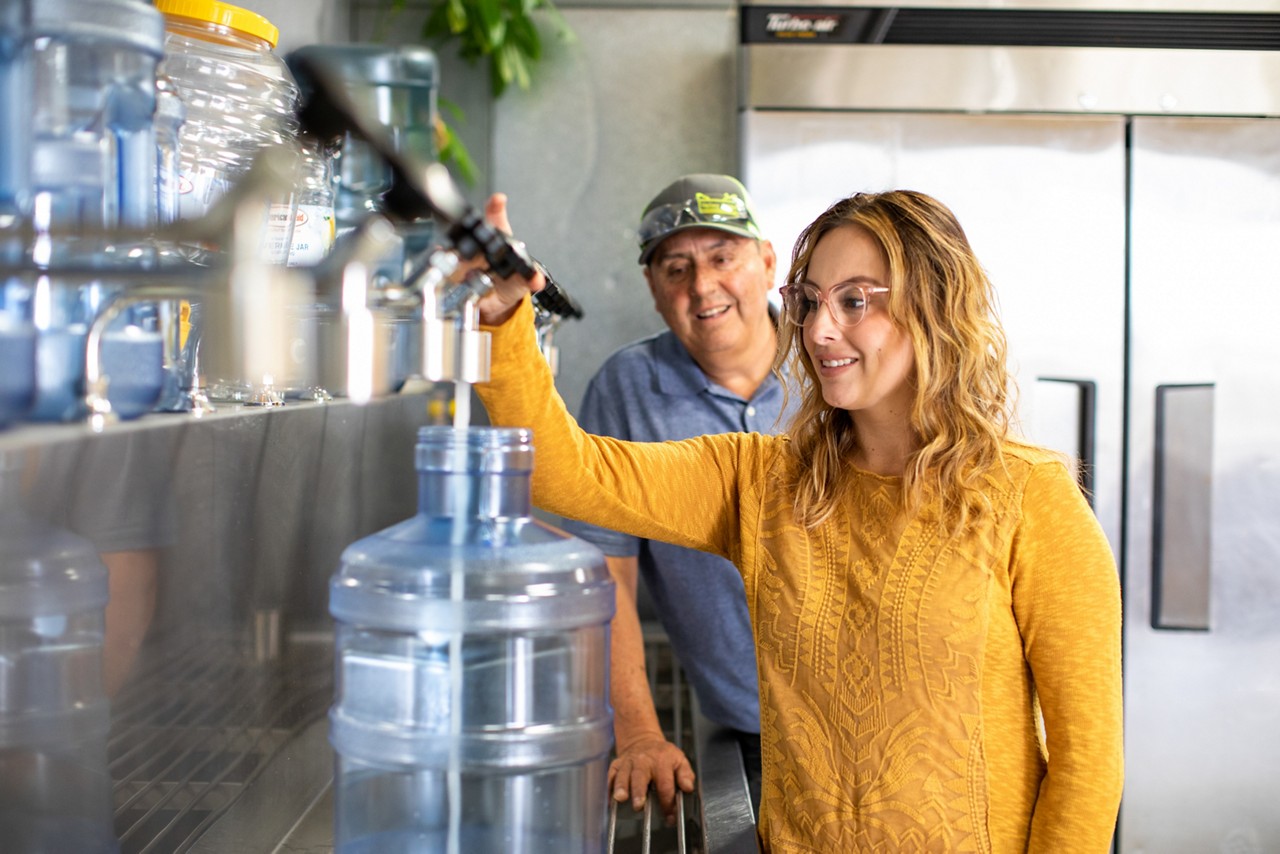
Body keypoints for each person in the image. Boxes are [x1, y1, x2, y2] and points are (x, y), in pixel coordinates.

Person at [474, 189, 1124, 851]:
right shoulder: (760, 480)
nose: (816, 330)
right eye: (810, 301)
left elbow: (1087, 763)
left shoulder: (1030, 496)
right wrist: (502, 316)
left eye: (854, 301)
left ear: (932, 306)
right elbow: (567, 471)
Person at [559, 174, 789, 823]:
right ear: (654, 290)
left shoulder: (833, 357)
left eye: (723, 256)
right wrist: (637, 731)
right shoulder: (627, 389)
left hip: (883, 718)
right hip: (750, 733)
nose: (702, 285)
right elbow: (602, 574)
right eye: (676, 267)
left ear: (767, 262)